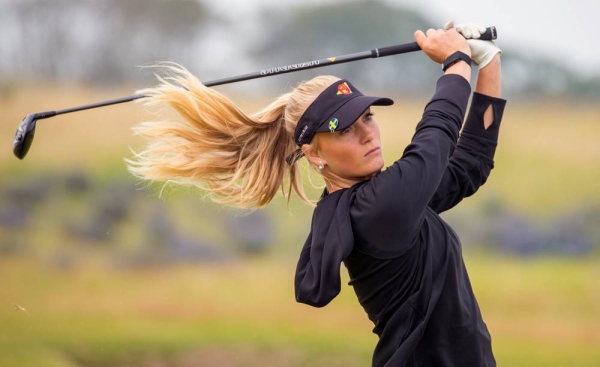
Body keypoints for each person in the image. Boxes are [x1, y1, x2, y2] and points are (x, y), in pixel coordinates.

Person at [127, 21, 505, 367]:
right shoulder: (381, 208)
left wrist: (486, 61)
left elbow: (469, 164)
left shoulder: (381, 200)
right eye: (344, 130)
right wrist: (456, 61)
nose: (368, 134)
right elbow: (436, 136)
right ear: (313, 153)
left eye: (368, 117)